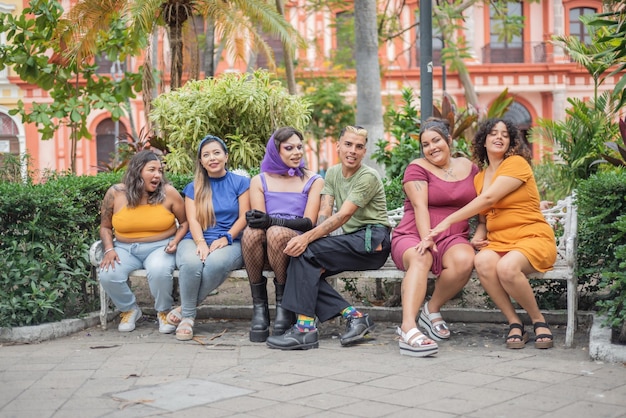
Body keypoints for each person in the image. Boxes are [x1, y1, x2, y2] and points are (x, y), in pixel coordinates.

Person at [429, 118, 556, 349]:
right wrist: (479, 234)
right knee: (483, 261)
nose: (499, 137)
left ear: (511, 143)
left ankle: (538, 320)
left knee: (507, 267)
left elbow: (488, 199)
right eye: (494, 133)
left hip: (531, 236)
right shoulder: (479, 177)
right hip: (500, 241)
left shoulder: (516, 163)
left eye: (505, 135)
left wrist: (447, 221)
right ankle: (514, 322)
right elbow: (484, 216)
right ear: (484, 140)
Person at [265, 125, 391, 350]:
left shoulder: (368, 177)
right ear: (339, 146)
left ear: (364, 152)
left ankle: (305, 330)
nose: (352, 151)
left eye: (359, 147)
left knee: (305, 252)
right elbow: (325, 213)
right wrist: (314, 240)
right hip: (354, 241)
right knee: (303, 261)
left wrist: (307, 239)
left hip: (373, 242)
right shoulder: (332, 173)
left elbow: (343, 216)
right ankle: (353, 316)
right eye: (348, 144)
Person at [391, 118, 479, 357]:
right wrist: (427, 238)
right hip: (413, 233)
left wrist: (481, 231)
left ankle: (431, 309)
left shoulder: (470, 167)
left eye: (436, 140)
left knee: (464, 260)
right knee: (422, 258)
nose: (431, 147)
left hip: (453, 236)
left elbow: (485, 201)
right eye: (426, 144)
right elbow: (420, 207)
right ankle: (408, 328)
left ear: (449, 140)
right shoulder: (417, 167)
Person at [242, 127, 324, 342]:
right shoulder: (259, 181)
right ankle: (259, 307)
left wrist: (273, 221)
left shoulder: (313, 180)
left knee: (277, 233)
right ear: (275, 151)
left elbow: (309, 223)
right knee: (251, 233)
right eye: (289, 148)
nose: (297, 152)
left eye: (299, 147)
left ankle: (284, 306)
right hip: (264, 251)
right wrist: (258, 220)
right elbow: (260, 223)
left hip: (296, 245)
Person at [167, 135, 250, 341]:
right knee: (190, 262)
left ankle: (186, 311)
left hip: (231, 241)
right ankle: (188, 317)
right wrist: (201, 243)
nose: (212, 158)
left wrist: (227, 237)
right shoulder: (194, 187)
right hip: (195, 238)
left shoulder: (241, 183)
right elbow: (193, 220)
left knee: (215, 263)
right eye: (206, 155)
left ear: (226, 156)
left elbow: (244, 217)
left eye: (216, 153)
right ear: (201, 162)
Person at [98, 150, 188, 333]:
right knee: (108, 274)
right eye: (152, 170)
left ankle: (163, 311)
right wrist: (109, 249)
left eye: (160, 171)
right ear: (137, 171)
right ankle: (129, 309)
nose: (158, 175)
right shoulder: (115, 193)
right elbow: (105, 227)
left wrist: (176, 241)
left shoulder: (168, 193)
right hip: (124, 248)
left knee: (159, 270)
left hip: (160, 246)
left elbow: (185, 222)